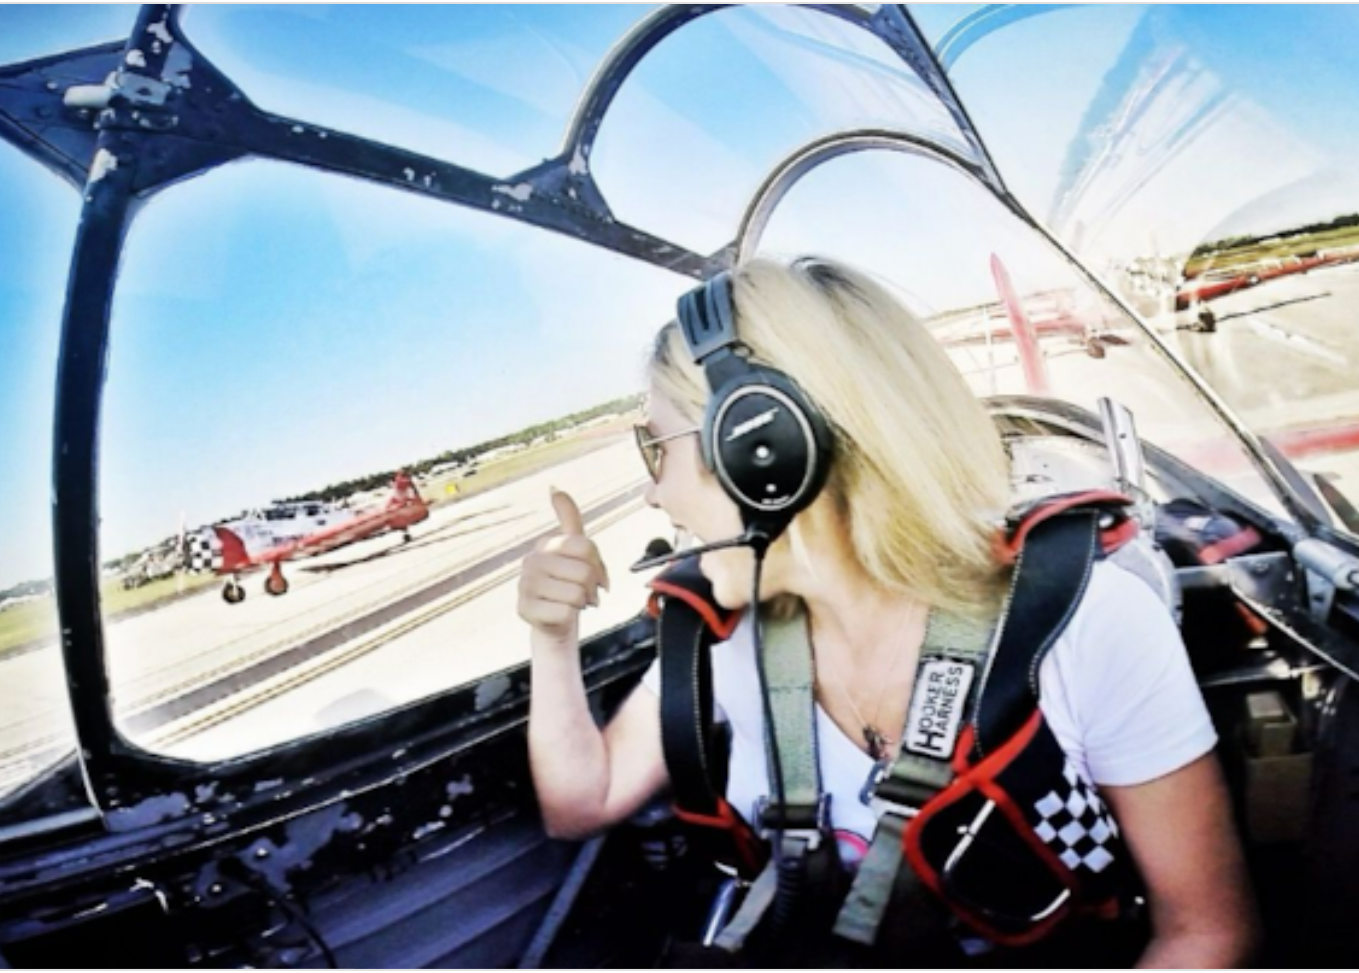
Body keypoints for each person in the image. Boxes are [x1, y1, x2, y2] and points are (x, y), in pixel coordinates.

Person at [518, 256, 1258, 966]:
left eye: (660, 449)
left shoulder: (1082, 622)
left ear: (765, 451)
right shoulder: (725, 639)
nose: (655, 494)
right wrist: (552, 636)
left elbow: (1206, 933)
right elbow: (583, 801)